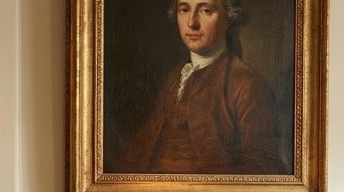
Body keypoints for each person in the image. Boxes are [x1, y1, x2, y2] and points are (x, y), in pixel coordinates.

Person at [119, 1, 285, 175]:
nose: (192, 23)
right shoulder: (176, 76)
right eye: (184, 10)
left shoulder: (247, 85)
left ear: (230, 17)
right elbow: (141, 149)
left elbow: (262, 170)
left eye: (205, 10)